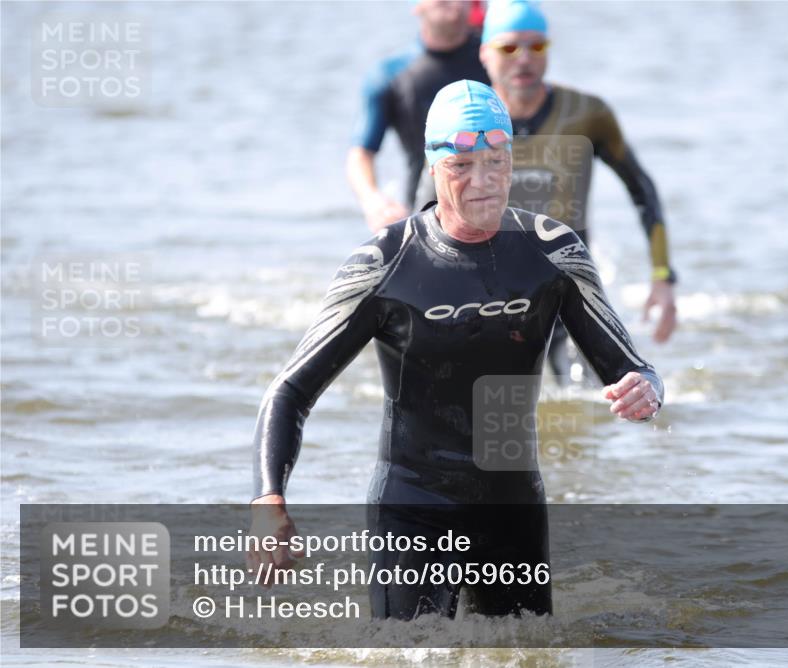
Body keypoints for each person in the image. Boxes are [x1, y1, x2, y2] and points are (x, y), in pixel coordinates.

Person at [250, 80, 664, 620]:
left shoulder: (555, 253)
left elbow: (628, 365)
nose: (483, 182)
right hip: (413, 505)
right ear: (432, 166)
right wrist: (267, 501)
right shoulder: (384, 266)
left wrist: (647, 389)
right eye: (462, 166)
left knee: (527, 660)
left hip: (513, 509)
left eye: (496, 162)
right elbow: (290, 390)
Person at [479, 0, 679, 351]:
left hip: (568, 288)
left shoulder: (587, 115)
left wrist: (663, 278)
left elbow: (642, 190)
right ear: (485, 53)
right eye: (509, 47)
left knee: (595, 397)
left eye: (536, 45)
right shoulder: (467, 123)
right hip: (489, 293)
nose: (524, 58)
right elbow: (428, 211)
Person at [347, 0, 490, 232]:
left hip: (496, 208)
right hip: (424, 212)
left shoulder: (498, 60)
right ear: (417, 5)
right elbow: (360, 154)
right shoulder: (389, 75)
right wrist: (373, 201)